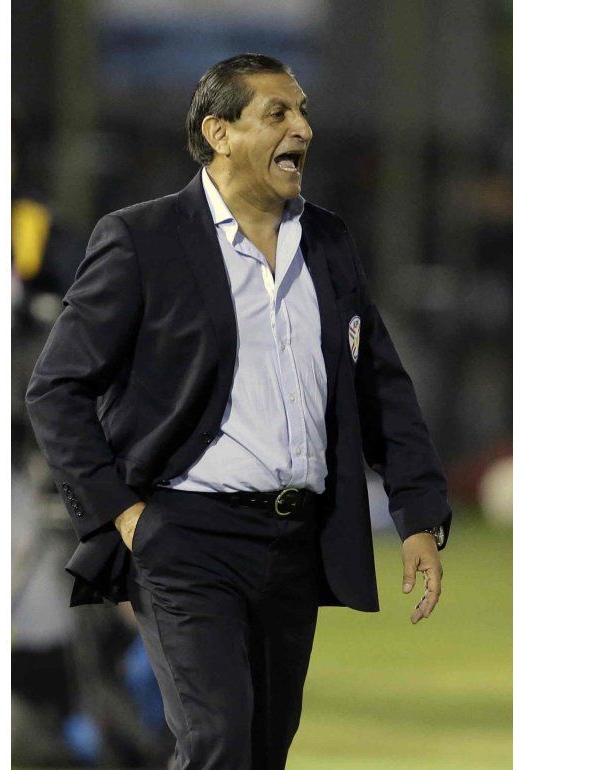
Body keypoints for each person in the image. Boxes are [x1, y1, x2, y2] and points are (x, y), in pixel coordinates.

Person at [26, 53, 452, 770]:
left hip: (294, 540)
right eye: (278, 113)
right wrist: (123, 515)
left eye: (303, 111)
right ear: (219, 133)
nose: (303, 129)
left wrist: (417, 512)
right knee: (217, 742)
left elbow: (380, 386)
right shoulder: (142, 239)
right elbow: (56, 387)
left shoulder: (328, 241)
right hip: (184, 537)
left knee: (261, 750)